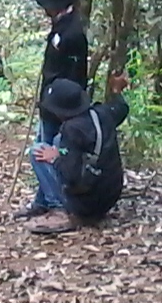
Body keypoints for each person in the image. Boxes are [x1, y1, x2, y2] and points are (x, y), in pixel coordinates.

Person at [18, 0, 89, 218]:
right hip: (49, 104)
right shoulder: (60, 25)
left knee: (44, 152)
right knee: (43, 147)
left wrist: (64, 109)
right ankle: (43, 201)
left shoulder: (73, 33)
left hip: (61, 107)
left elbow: (74, 77)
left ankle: (58, 204)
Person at [25, 75, 130, 236]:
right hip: (110, 196)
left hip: (87, 204)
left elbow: (72, 176)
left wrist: (55, 158)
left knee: (37, 151)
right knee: (57, 142)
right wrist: (116, 90)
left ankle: (61, 211)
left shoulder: (72, 130)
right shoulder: (102, 113)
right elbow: (121, 107)